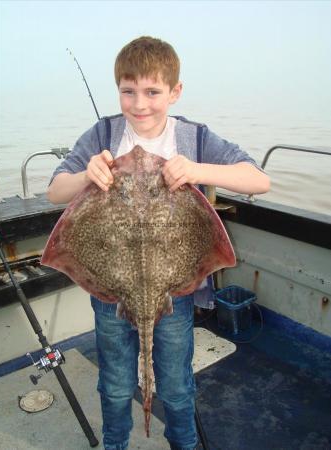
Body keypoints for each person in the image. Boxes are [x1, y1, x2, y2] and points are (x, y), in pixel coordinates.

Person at [47, 36, 270, 450]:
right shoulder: (103, 134)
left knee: (177, 384)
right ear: (118, 91)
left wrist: (197, 168)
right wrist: (86, 175)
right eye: (128, 92)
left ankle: (183, 443)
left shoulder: (194, 137)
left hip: (175, 291)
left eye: (152, 92)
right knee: (115, 383)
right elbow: (56, 192)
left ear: (174, 92)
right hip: (112, 290)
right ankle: (116, 443)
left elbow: (259, 179)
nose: (139, 104)